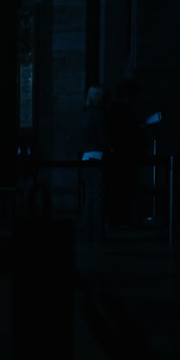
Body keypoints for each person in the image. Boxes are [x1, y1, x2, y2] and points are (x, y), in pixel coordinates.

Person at [105, 78, 145, 228]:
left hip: (123, 154)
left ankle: (119, 216)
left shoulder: (119, 109)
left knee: (122, 187)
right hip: (122, 155)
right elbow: (122, 132)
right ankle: (118, 217)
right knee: (121, 187)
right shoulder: (120, 110)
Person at [80, 85, 108, 243]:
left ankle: (88, 232)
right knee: (98, 197)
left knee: (89, 197)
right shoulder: (100, 115)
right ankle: (99, 233)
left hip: (85, 155)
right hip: (97, 155)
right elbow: (104, 138)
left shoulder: (85, 115)